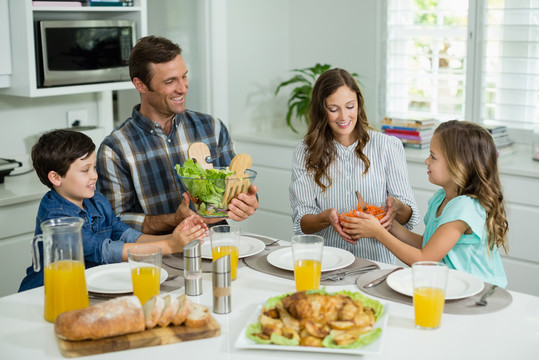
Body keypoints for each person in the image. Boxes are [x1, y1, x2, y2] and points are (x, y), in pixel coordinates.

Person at [96, 36, 258, 234]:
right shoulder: (115, 149)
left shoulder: (212, 128)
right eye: (170, 81)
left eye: (184, 76)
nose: (183, 88)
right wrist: (175, 219)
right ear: (140, 85)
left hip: (217, 248)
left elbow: (235, 185)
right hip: (160, 256)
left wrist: (246, 202)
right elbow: (115, 221)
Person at [19, 130, 207, 292]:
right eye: (85, 170)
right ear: (56, 177)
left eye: (94, 167)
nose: (94, 176)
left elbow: (124, 234)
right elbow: (103, 251)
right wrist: (170, 246)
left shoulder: (95, 199)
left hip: (88, 285)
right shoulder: (57, 216)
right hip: (50, 291)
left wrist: (173, 238)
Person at [352, 120, 508, 287]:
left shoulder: (465, 207)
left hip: (480, 294)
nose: (427, 160)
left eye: (433, 156)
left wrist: (378, 233)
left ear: (459, 165)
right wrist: (386, 223)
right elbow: (429, 246)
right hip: (453, 288)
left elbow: (424, 260)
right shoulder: (442, 198)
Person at [290, 68, 420, 263]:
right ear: (321, 110)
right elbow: (301, 222)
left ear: (358, 104)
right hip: (329, 262)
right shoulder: (305, 151)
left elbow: (410, 219)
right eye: (333, 109)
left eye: (350, 106)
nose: (343, 117)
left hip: (379, 263)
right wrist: (326, 218)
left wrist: (397, 207)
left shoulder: (387, 146)